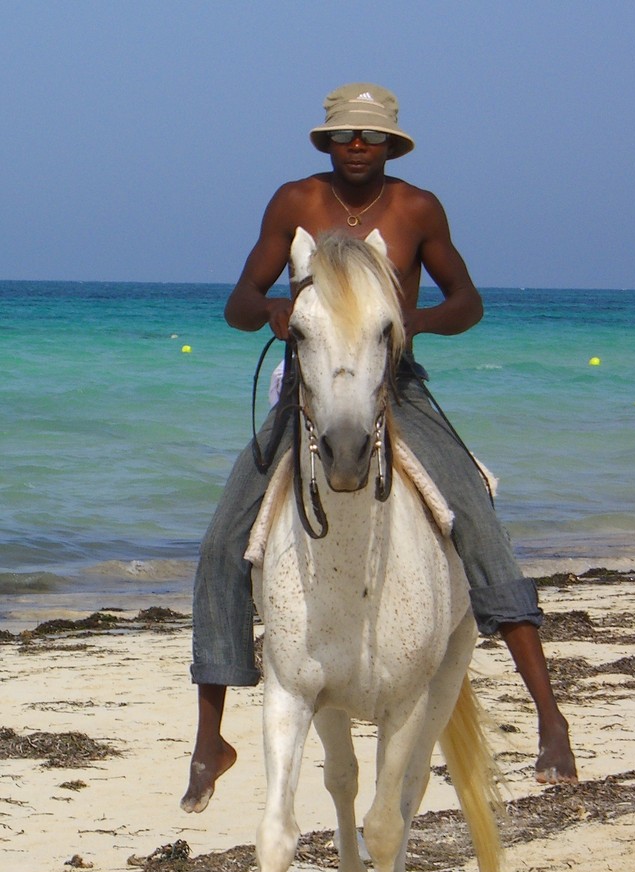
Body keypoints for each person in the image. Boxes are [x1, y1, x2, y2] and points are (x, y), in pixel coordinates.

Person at [181, 83, 577, 814]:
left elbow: (469, 301)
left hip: (394, 385)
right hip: (312, 391)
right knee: (221, 540)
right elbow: (238, 301)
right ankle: (211, 738)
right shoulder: (293, 203)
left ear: (391, 144)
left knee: (474, 514)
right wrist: (272, 310)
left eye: (370, 136)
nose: (356, 146)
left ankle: (549, 717)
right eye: (344, 135)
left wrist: (409, 324)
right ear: (326, 142)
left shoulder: (416, 209)